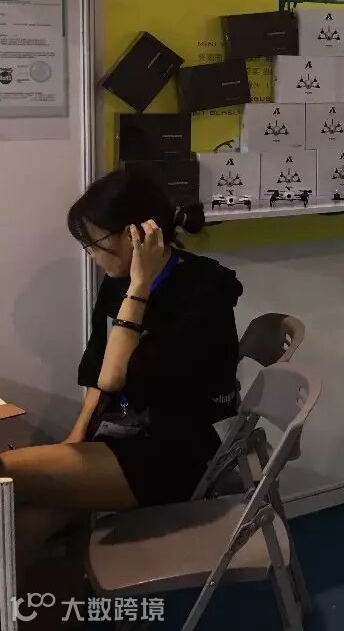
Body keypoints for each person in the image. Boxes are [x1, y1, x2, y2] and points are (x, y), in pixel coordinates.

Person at [0, 165, 243, 570]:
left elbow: (113, 377)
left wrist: (139, 287)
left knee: (5, 473)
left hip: (174, 453)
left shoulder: (203, 291)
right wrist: (76, 439)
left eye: (93, 243)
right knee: (21, 523)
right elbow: (97, 372)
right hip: (120, 438)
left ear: (135, 235)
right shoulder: (117, 282)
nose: (90, 254)